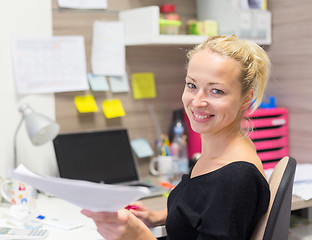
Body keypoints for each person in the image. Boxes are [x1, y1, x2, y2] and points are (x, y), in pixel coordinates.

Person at [81, 35, 271, 240]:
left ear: (246, 98)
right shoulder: (222, 150)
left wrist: (137, 235)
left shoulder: (235, 177)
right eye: (192, 85)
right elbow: (205, 210)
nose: (198, 102)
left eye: (216, 91)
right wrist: (157, 217)